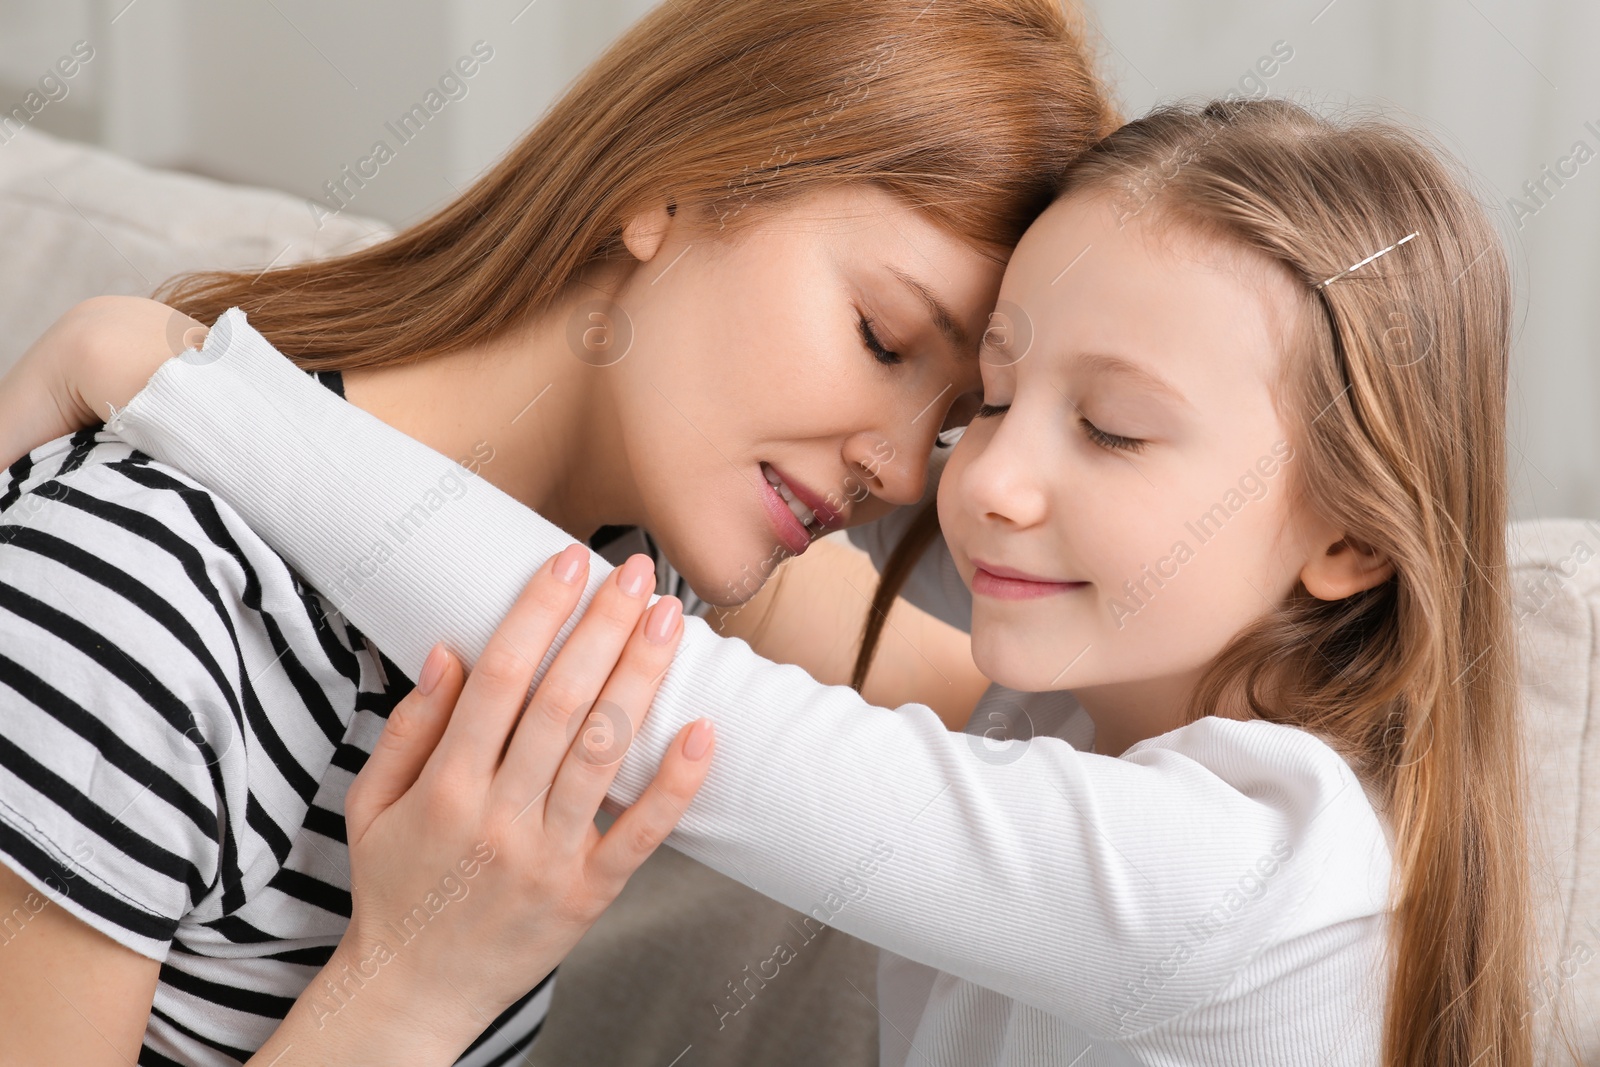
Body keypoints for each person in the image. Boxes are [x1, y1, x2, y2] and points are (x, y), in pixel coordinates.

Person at [4, 99, 1535, 1065]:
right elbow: (739, 633)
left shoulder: (1242, 863)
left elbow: (688, 692)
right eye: (981, 401)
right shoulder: (1047, 738)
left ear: (1354, 538)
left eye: (1117, 425)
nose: (970, 476)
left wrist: (165, 372)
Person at [0, 1, 1116, 1063]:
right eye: (881, 338)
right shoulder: (132, 600)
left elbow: (1053, 735)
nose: (891, 465)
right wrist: (412, 984)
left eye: (952, 421)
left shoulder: (645, 549)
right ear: (667, 190)